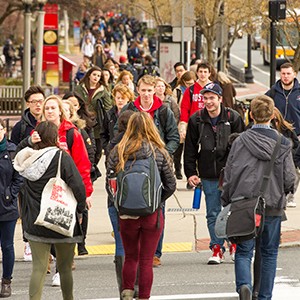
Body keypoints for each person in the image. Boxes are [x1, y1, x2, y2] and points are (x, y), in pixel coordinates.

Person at [221, 95, 295, 299]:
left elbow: (230, 173)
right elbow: (290, 178)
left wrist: (226, 198)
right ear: (272, 115)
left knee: (244, 251)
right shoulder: (283, 143)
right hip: (272, 204)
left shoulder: (240, 141)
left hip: (244, 203)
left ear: (250, 115)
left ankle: (244, 284)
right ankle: (263, 295)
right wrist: (287, 193)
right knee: (269, 253)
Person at [106, 112, 176, 300]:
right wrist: (157, 200)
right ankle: (143, 297)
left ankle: (127, 291)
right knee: (146, 260)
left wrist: (120, 204)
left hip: (126, 214)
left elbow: (110, 184)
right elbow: (171, 184)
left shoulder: (117, 151)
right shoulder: (159, 151)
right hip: (152, 213)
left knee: (130, 257)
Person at [14, 121, 86, 300]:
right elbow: (78, 186)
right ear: (55, 137)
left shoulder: (27, 160)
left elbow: (15, 154)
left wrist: (27, 142)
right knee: (64, 268)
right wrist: (81, 209)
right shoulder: (62, 157)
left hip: (35, 221)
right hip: (60, 218)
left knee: (38, 268)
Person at [120, 75, 180, 267]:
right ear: (138, 90)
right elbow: (117, 132)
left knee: (157, 206)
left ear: (155, 90)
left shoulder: (163, 110)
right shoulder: (129, 109)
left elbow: (174, 136)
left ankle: (155, 252)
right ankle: (135, 251)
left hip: (157, 164)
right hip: (132, 163)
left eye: (149, 90)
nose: (146, 94)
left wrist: (163, 153)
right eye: (143, 90)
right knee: (133, 204)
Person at [184, 82, 245, 264]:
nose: (208, 102)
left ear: (220, 99)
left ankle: (234, 244)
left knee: (232, 212)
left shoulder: (233, 118)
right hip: (208, 174)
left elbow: (243, 146)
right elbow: (190, 148)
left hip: (231, 175)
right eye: (206, 98)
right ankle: (217, 248)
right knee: (213, 213)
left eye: (212, 98)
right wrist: (190, 172)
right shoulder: (196, 120)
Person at [10, 85, 45, 263]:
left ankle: (49, 246)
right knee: (28, 211)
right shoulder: (21, 126)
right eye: (34, 102)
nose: (38, 105)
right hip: (27, 175)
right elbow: (14, 150)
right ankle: (28, 242)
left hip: (48, 173)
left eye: (40, 101)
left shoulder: (50, 121)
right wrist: (29, 141)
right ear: (28, 104)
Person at [0, 119, 23, 297]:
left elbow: (19, 178)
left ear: (4, 131)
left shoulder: (12, 150)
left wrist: (10, 194)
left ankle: (6, 281)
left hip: (7, 207)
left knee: (7, 246)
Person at [74, 66, 112, 164]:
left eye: (99, 76)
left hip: (97, 123)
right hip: (81, 121)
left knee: (97, 151)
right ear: (89, 75)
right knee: (84, 147)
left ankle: (92, 168)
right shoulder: (79, 88)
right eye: (94, 75)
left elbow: (108, 107)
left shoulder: (103, 90)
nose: (96, 77)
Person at [179, 62, 212, 151]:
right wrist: (183, 126)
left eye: (205, 72)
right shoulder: (190, 90)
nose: (203, 74)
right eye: (200, 71)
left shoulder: (214, 89)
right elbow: (185, 108)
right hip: (194, 124)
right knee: (192, 151)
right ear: (197, 73)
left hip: (210, 124)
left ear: (209, 73)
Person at [272, 107, 299, 208]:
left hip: (287, 161)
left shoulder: (288, 131)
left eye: (276, 120)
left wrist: (292, 155)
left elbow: (296, 144)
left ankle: (289, 197)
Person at [172, 71, 196, 180]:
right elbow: (175, 107)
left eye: (192, 83)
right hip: (181, 121)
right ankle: (178, 167)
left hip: (193, 120)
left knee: (192, 148)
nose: (190, 86)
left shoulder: (196, 90)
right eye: (188, 83)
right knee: (179, 147)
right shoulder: (177, 91)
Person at [265, 62, 300, 136]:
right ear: (280, 74)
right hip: (278, 136)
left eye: (288, 73)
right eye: (283, 74)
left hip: (298, 135)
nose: (286, 76)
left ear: (295, 74)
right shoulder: (272, 92)